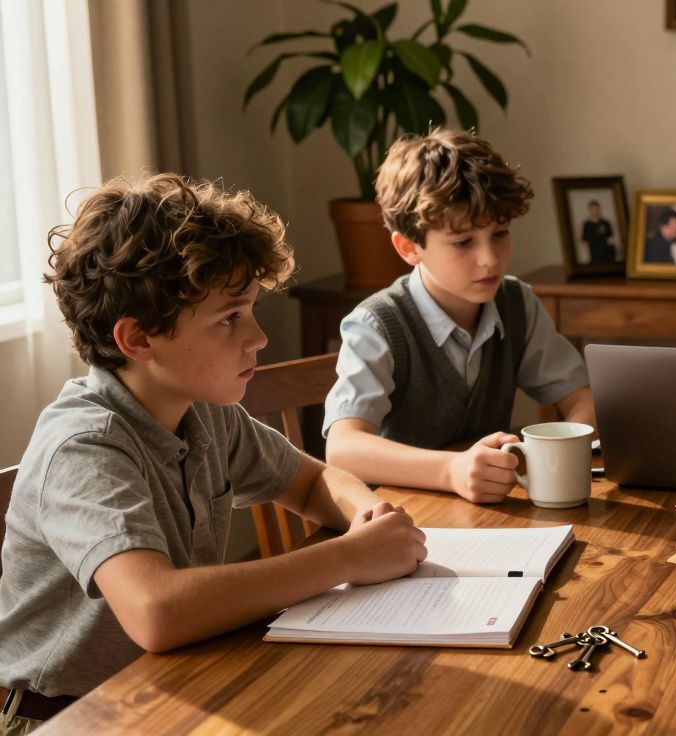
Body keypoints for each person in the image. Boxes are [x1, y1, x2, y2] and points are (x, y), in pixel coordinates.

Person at [0, 174, 427, 733]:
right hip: (68, 717)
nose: (259, 337)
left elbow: (312, 482)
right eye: (230, 318)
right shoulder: (84, 447)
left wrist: (368, 520)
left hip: (172, 686)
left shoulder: (203, 410)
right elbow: (157, 611)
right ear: (138, 340)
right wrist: (349, 558)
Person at [323, 128, 595, 503]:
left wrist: (558, 461)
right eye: (463, 242)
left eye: (499, 234)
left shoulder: (517, 304)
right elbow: (343, 448)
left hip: (486, 517)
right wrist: (451, 470)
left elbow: (581, 398)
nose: (490, 259)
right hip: (401, 527)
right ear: (408, 248)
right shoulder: (377, 325)